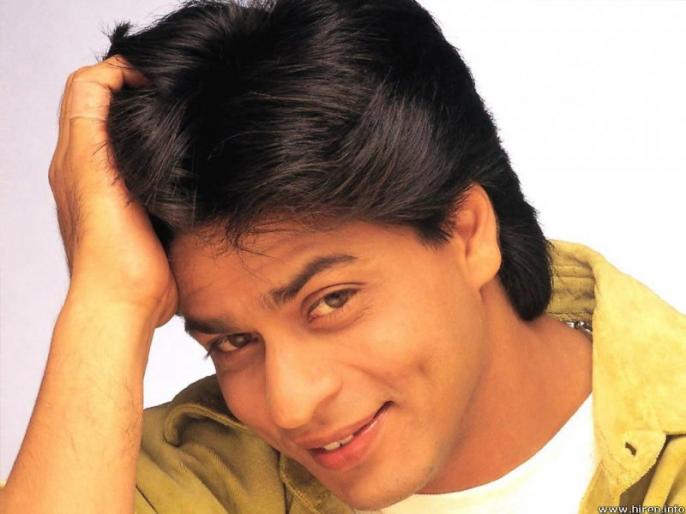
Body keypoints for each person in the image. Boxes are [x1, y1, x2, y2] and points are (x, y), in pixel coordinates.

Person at [1, 0, 685, 513]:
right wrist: (108, 299)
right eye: (232, 342)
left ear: (467, 233)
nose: (291, 405)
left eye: (330, 301)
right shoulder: (185, 479)